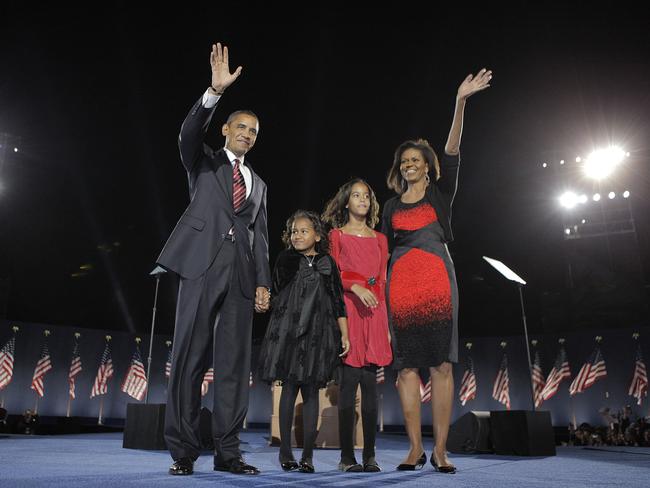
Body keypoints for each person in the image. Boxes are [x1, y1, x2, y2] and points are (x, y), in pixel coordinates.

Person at [157, 43, 271, 476]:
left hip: (241, 278)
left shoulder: (259, 184)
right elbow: (188, 134)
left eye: (254, 131)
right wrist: (213, 92)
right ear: (225, 129)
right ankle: (183, 452)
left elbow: (259, 238)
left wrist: (262, 282)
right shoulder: (201, 162)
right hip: (201, 267)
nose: (247, 134)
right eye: (240, 127)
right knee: (189, 358)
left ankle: (228, 453)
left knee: (233, 367)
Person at [381, 68, 492, 473]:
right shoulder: (390, 208)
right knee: (406, 367)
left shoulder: (442, 193)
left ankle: (441, 451)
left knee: (442, 366)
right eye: (405, 160)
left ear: (427, 167)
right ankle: (414, 450)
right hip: (401, 289)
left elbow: (452, 151)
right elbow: (381, 253)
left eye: (416, 159)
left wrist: (459, 102)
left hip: (438, 285)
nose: (410, 164)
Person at [257, 210, 350, 474]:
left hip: (318, 334)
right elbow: (274, 292)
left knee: (311, 392)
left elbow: (337, 301)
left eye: (304, 231)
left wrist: (344, 333)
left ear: (317, 235)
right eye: (294, 231)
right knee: (288, 389)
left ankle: (308, 455)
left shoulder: (327, 263)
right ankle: (285, 452)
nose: (297, 235)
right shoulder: (285, 259)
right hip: (287, 331)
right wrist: (263, 300)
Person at [322, 179, 392, 472]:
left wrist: (385, 325)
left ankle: (371, 456)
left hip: (374, 314)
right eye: (356, 195)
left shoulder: (380, 239)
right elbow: (331, 276)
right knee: (348, 387)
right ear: (346, 202)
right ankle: (347, 457)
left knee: (371, 391)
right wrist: (355, 286)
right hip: (348, 312)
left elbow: (382, 281)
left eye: (366, 196)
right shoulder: (335, 236)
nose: (362, 199)